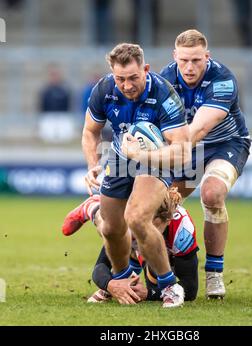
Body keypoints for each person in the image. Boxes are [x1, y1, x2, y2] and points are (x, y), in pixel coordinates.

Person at [81, 43, 191, 307]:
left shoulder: (164, 94)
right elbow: (89, 132)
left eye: (133, 78)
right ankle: (123, 281)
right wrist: (92, 164)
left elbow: (183, 152)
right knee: (111, 228)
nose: (127, 85)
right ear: (112, 74)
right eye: (120, 79)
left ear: (146, 69)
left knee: (137, 218)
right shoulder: (104, 90)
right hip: (120, 157)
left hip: (157, 158)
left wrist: (142, 156)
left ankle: (169, 285)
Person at [160, 29, 251, 299]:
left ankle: (214, 273)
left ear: (207, 57)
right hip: (188, 149)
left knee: (211, 194)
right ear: (175, 56)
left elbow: (198, 131)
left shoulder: (222, 79)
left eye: (196, 61)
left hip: (226, 144)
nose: (189, 67)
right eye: (184, 60)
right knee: (163, 203)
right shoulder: (164, 80)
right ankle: (158, 271)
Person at [62, 188, 199, 305]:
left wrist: (148, 293)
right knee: (108, 229)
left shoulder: (182, 229)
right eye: (142, 224)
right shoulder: (131, 220)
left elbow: (191, 288)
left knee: (155, 277)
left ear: (168, 220)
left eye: (150, 225)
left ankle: (128, 274)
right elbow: (101, 266)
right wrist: (111, 285)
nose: (144, 230)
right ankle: (93, 207)